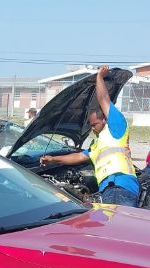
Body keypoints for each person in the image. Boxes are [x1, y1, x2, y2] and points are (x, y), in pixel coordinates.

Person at [40, 66, 139, 206]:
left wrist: (99, 77)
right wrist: (53, 159)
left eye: (94, 124)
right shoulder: (97, 144)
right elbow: (79, 156)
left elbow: (103, 99)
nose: (92, 129)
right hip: (108, 189)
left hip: (120, 186)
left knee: (117, 227)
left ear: (105, 119)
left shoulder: (116, 128)